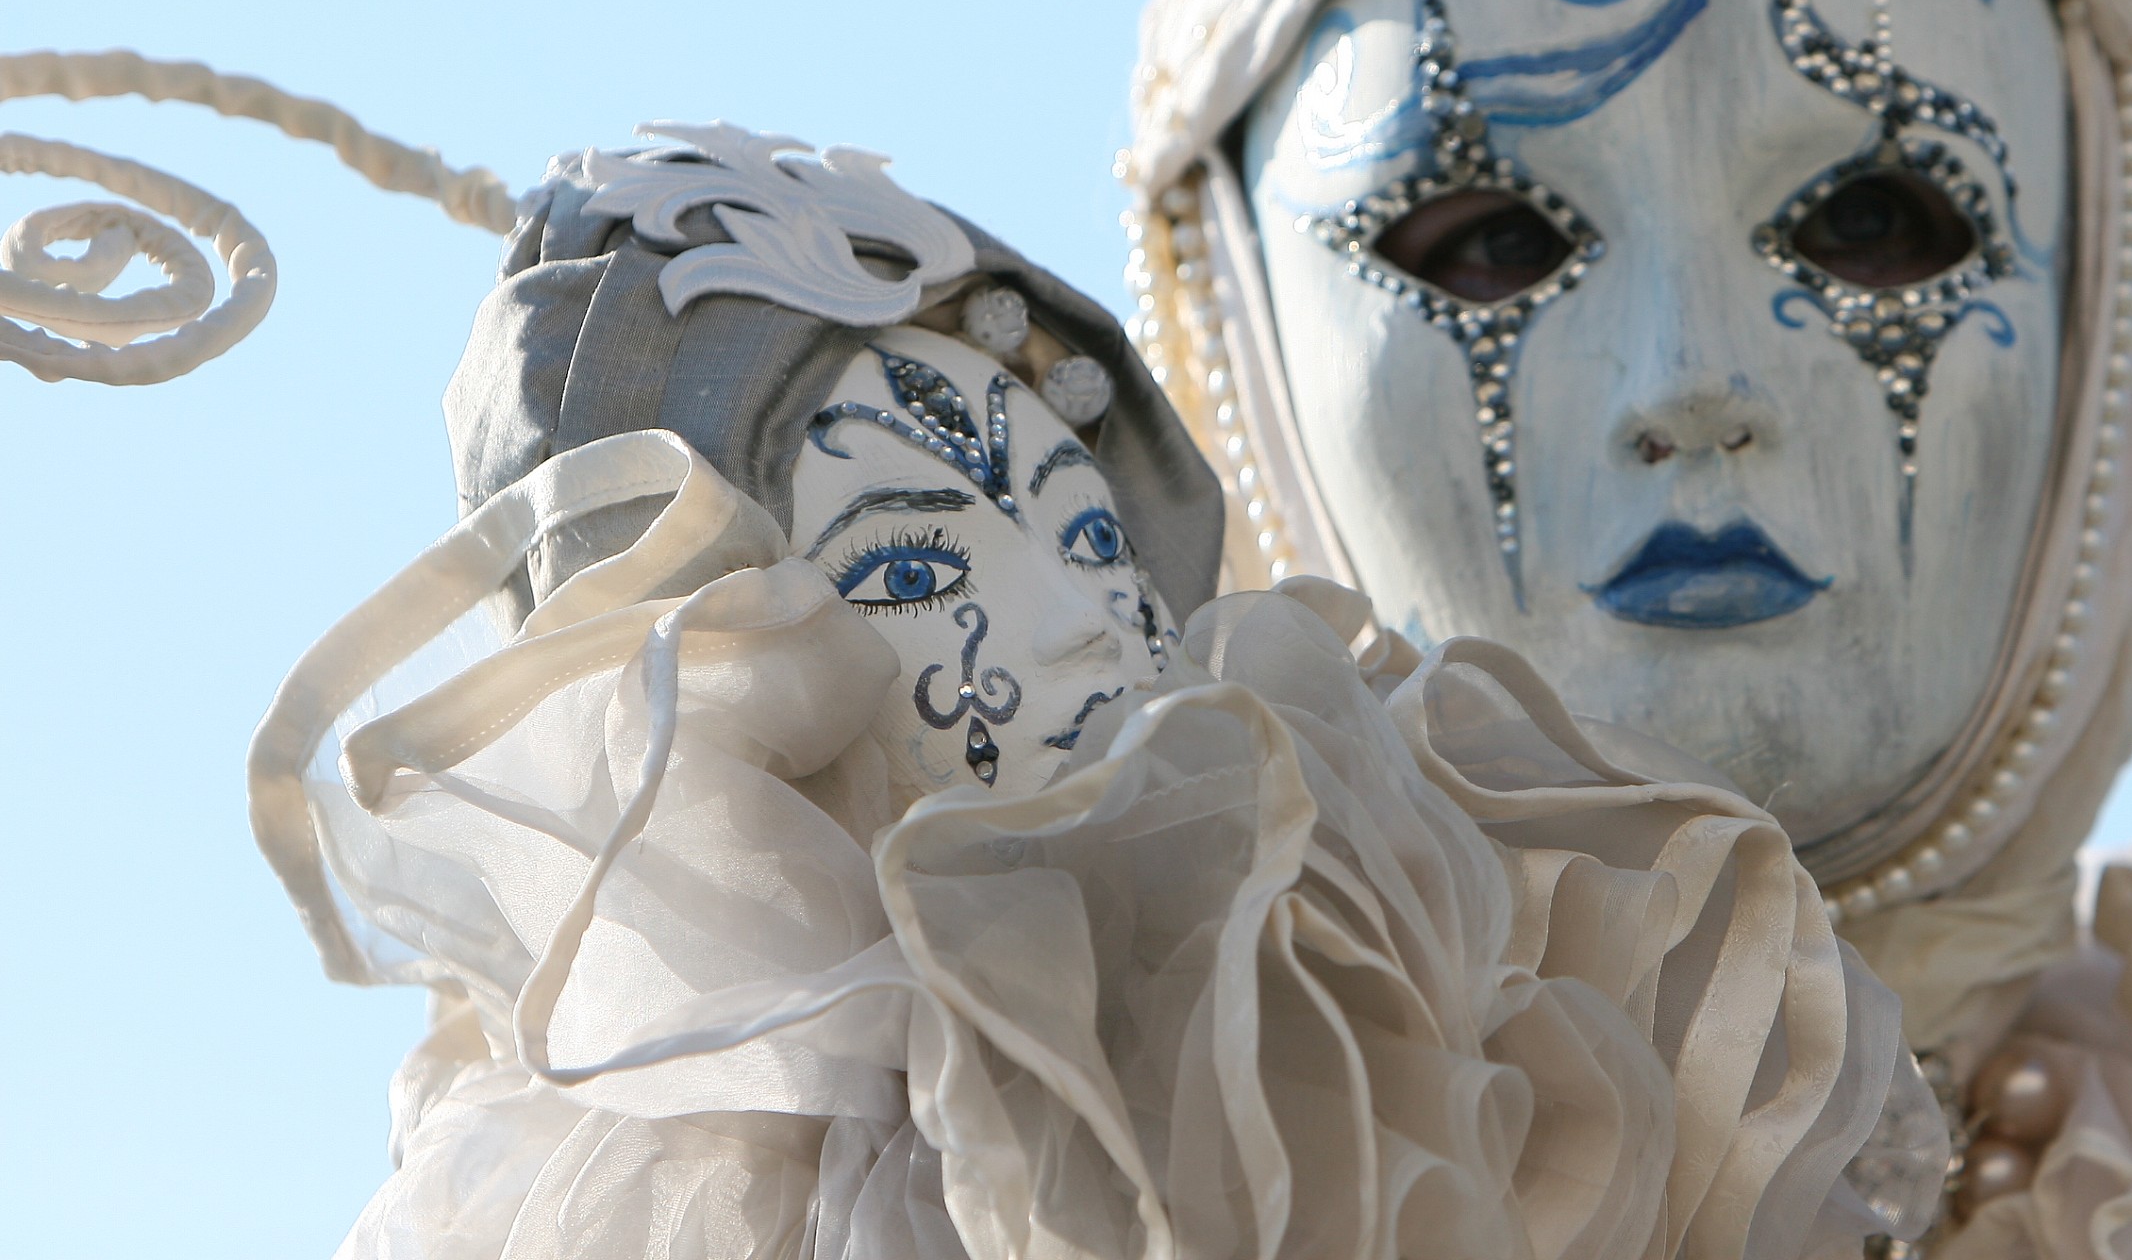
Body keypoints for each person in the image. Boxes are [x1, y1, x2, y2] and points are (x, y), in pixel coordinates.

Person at [1073, 0, 2132, 1252]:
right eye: (1492, 242)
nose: (1690, 380)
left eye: (1870, 221)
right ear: (1229, 338)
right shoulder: (1010, 1152)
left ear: (2107, 297)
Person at [248, 121, 1943, 1257]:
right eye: (917, 569)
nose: (1076, 622)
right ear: (711, 679)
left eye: (1085, 528)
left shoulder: (1438, 975)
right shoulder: (645, 1201)